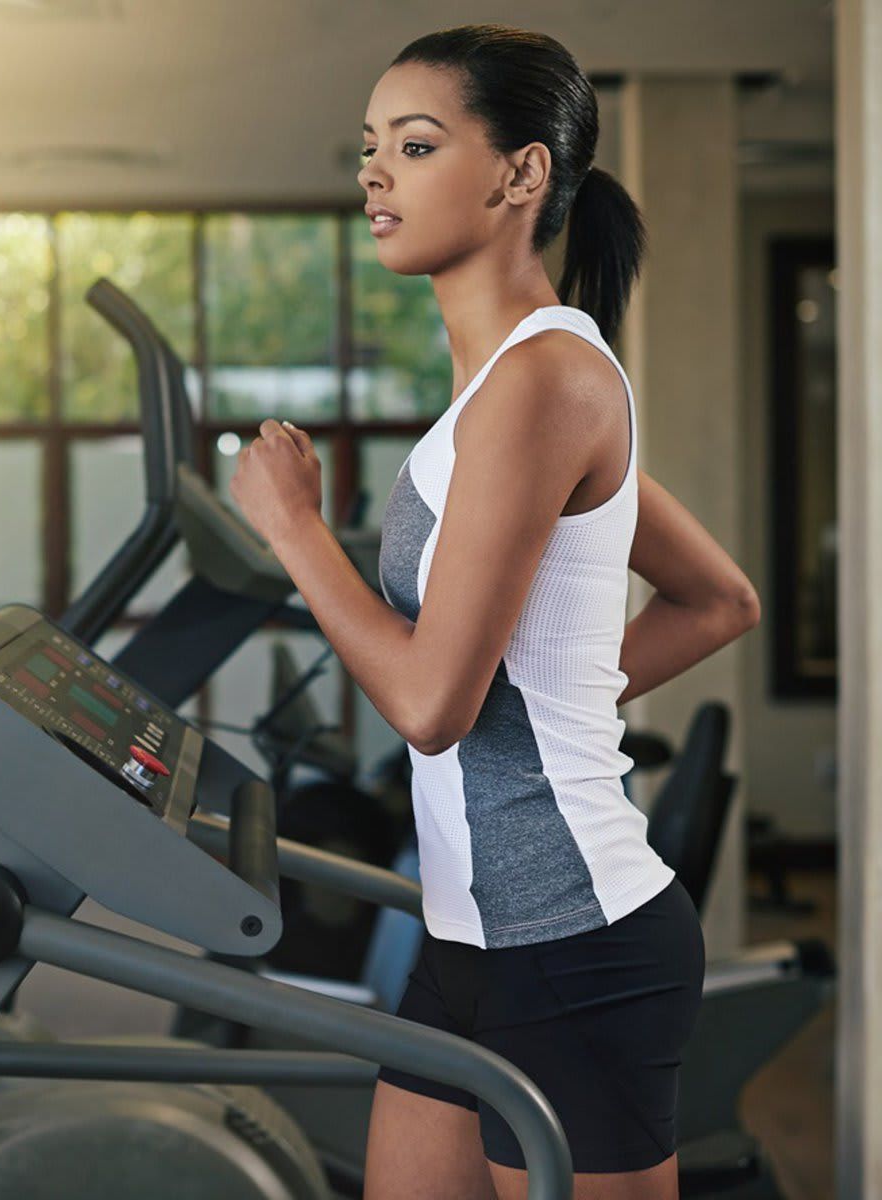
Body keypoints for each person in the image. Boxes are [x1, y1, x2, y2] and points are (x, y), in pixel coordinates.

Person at [229, 22, 761, 1200]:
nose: (374, 172)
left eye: (414, 146)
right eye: (369, 147)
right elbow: (718, 598)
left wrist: (295, 530)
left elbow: (429, 706)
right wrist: (565, 694)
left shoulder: (545, 381)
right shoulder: (505, 389)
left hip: (576, 947)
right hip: (470, 934)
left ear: (523, 174)